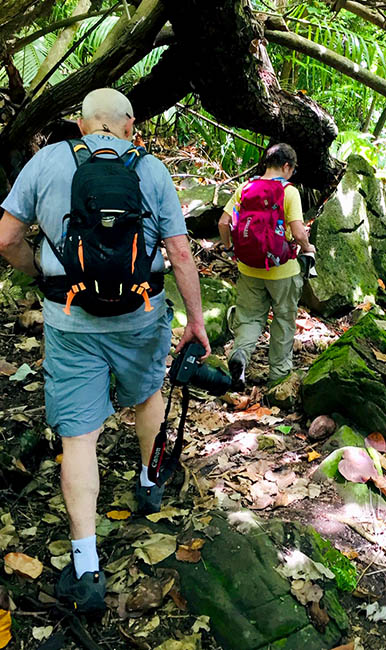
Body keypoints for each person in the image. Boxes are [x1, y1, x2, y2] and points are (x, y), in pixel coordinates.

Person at [0, 88, 209, 613]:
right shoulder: (153, 169)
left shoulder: (46, 162)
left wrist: (37, 272)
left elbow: (5, 239)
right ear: (129, 125)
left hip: (69, 317)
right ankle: (148, 481)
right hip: (141, 314)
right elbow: (180, 252)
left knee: (79, 434)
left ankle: (87, 565)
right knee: (146, 396)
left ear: (81, 122)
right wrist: (197, 321)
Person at [218, 143, 315, 386]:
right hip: (283, 269)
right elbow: (298, 231)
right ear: (286, 166)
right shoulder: (289, 192)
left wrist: (230, 248)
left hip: (249, 267)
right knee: (283, 320)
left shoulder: (245, 188)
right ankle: (279, 376)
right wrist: (308, 249)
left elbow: (223, 223)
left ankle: (240, 354)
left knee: (250, 318)